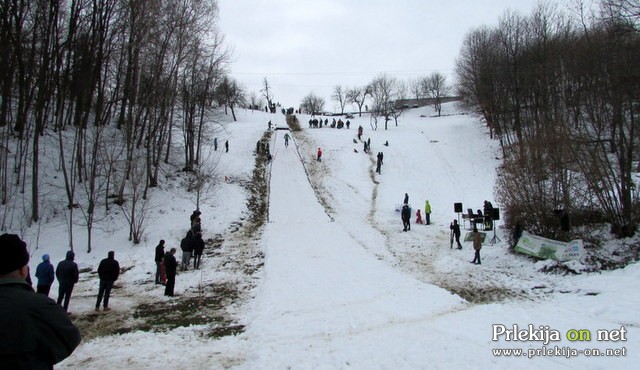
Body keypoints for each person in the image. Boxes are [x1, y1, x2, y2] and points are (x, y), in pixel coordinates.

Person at [0, 233, 81, 368]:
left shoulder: (57, 265)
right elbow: (70, 339)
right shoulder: (39, 307)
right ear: (22, 270)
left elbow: (52, 273)